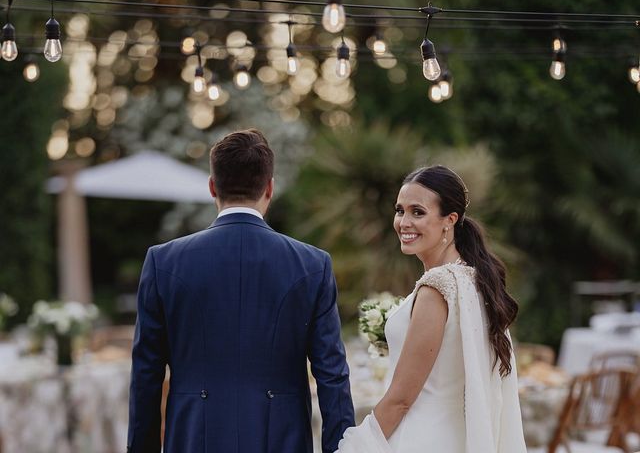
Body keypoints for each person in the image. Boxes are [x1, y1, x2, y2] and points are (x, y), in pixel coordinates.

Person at [127, 128, 355, 453]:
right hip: (282, 440)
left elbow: (146, 376)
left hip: (193, 439)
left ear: (211, 186)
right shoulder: (312, 265)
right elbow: (332, 376)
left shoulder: (163, 262)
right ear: (270, 188)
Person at [336, 165, 526, 453]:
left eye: (418, 212)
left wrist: (356, 446)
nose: (404, 222)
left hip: (417, 440)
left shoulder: (437, 288)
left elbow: (401, 399)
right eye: (400, 210)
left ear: (449, 220)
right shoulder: (474, 280)